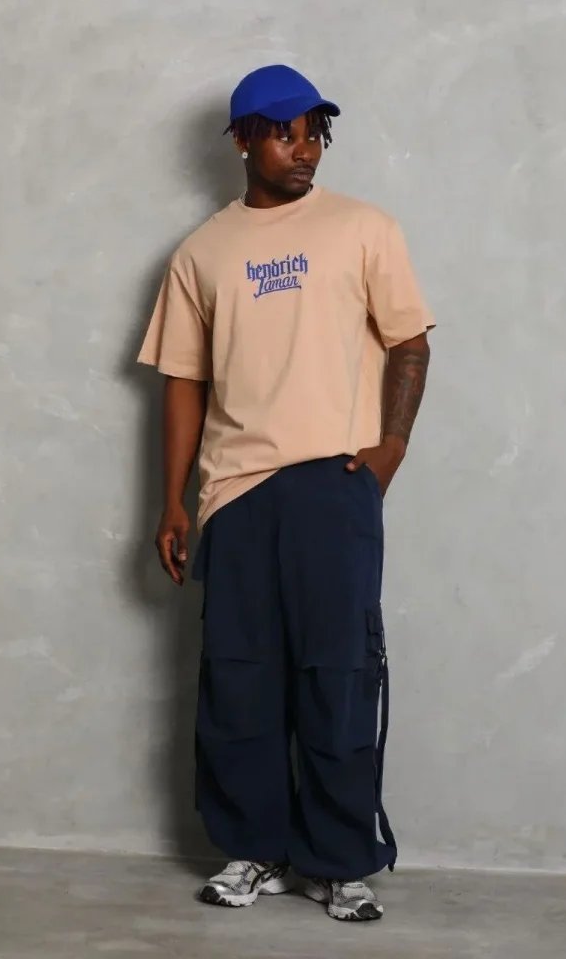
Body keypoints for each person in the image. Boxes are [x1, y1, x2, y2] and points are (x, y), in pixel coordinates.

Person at [137, 64, 434, 922]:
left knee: (336, 673)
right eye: (282, 135)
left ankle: (337, 861)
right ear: (242, 140)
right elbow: (183, 380)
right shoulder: (201, 252)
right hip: (234, 494)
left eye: (312, 134)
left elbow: (409, 342)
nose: (303, 150)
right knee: (238, 679)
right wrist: (173, 501)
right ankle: (253, 850)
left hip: (333, 483)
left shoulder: (363, 228)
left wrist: (387, 452)